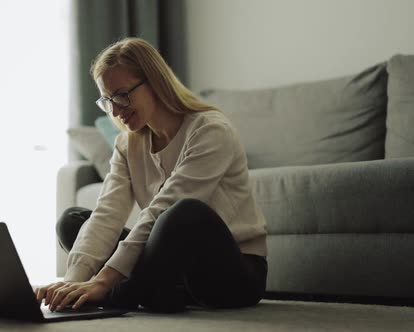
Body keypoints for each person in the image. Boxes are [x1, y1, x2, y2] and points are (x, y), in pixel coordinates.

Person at [35, 37, 268, 313]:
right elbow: (107, 213)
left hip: (230, 272)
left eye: (122, 95)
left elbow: (162, 209)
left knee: (183, 213)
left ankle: (123, 293)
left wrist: (104, 279)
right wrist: (72, 282)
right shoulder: (127, 143)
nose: (117, 111)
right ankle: (146, 290)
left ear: (155, 82)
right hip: (168, 265)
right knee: (72, 221)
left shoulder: (210, 130)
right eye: (108, 100)